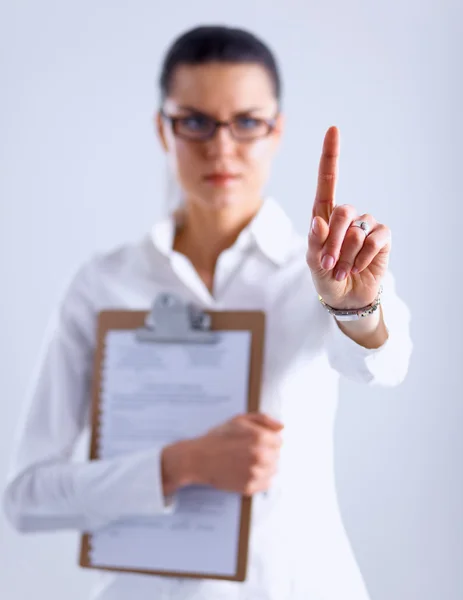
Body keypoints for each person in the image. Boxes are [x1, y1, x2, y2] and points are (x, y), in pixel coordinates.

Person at [2, 24, 412, 600]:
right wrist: (178, 465)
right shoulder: (103, 284)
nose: (221, 146)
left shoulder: (323, 274)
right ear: (162, 128)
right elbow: (26, 499)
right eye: (194, 121)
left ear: (278, 131)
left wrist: (356, 307)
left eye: (247, 122)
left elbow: (386, 364)